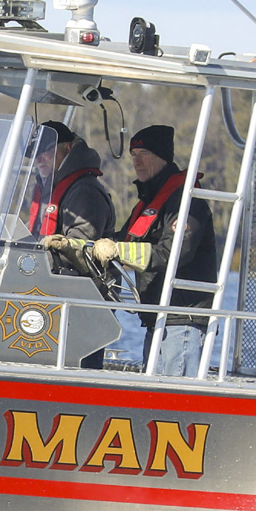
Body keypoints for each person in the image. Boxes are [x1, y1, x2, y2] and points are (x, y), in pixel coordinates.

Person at [88, 124, 218, 376]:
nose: (137, 161)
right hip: (157, 318)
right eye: (133, 155)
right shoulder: (151, 200)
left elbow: (174, 253)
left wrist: (118, 251)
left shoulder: (186, 200)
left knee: (175, 402)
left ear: (161, 157)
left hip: (183, 320)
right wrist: (82, 245)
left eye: (144, 154)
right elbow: (123, 240)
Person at [27, 120, 118, 368]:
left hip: (82, 304)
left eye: (46, 150)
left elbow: (80, 249)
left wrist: (41, 255)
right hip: (53, 300)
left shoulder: (85, 191)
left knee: (79, 370)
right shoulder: (48, 189)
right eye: (35, 153)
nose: (39, 159)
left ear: (67, 149)